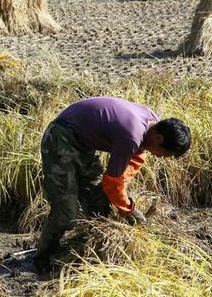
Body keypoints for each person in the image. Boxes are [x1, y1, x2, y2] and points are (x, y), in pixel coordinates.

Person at [34, 96, 191, 273]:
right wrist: (128, 210)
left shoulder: (151, 123)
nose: (161, 157)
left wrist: (122, 195)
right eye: (164, 153)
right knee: (66, 213)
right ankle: (42, 259)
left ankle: (90, 252)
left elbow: (134, 159)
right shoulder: (131, 136)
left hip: (84, 144)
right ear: (159, 138)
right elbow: (112, 182)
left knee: (99, 204)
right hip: (60, 137)